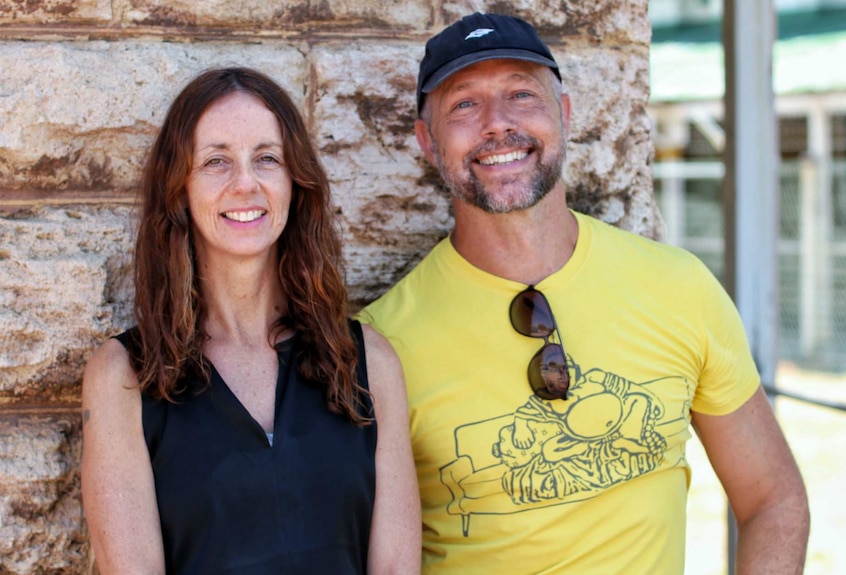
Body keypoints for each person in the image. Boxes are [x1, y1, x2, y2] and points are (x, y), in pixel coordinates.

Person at [358, 12, 809, 574]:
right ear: (427, 139)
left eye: (522, 94)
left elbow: (773, 498)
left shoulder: (678, 287)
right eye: (464, 105)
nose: (497, 124)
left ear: (564, 115)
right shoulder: (382, 346)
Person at [81, 67, 421, 574]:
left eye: (267, 159)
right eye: (217, 161)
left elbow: (395, 568)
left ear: (294, 183)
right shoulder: (124, 377)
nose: (246, 183)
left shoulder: (367, 362)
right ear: (180, 189)